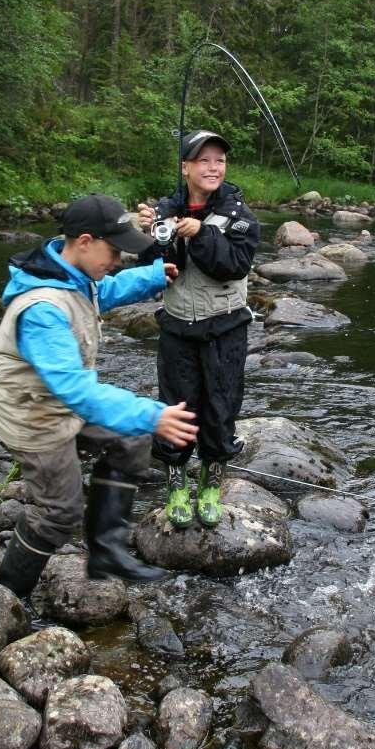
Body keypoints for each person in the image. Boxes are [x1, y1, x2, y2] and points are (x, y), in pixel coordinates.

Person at [0, 193, 198, 596]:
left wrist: (152, 275)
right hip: (35, 418)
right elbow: (76, 391)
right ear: (84, 241)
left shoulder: (71, 274)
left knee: (132, 442)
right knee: (59, 515)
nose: (118, 260)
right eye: (114, 251)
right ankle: (6, 594)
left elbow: (105, 291)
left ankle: (106, 550)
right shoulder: (43, 310)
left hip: (61, 404)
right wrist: (154, 415)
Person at [137, 129, 260, 528]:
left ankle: (211, 481)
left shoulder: (239, 214)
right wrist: (150, 235)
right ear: (186, 167)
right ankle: (176, 482)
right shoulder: (165, 209)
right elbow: (153, 268)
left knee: (221, 407)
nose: (213, 168)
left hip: (225, 328)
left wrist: (202, 232)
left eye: (219, 160)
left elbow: (234, 265)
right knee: (176, 407)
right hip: (177, 328)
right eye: (203, 160)